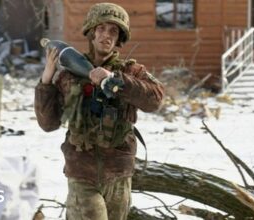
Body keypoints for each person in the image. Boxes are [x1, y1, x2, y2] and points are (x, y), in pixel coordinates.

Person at [34, 2, 164, 220]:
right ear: (91, 32)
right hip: (81, 173)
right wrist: (46, 80)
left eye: (113, 31)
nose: (106, 35)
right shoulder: (69, 75)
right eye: (101, 29)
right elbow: (48, 123)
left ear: (119, 38)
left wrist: (116, 81)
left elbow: (155, 100)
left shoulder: (130, 72)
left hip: (118, 173)